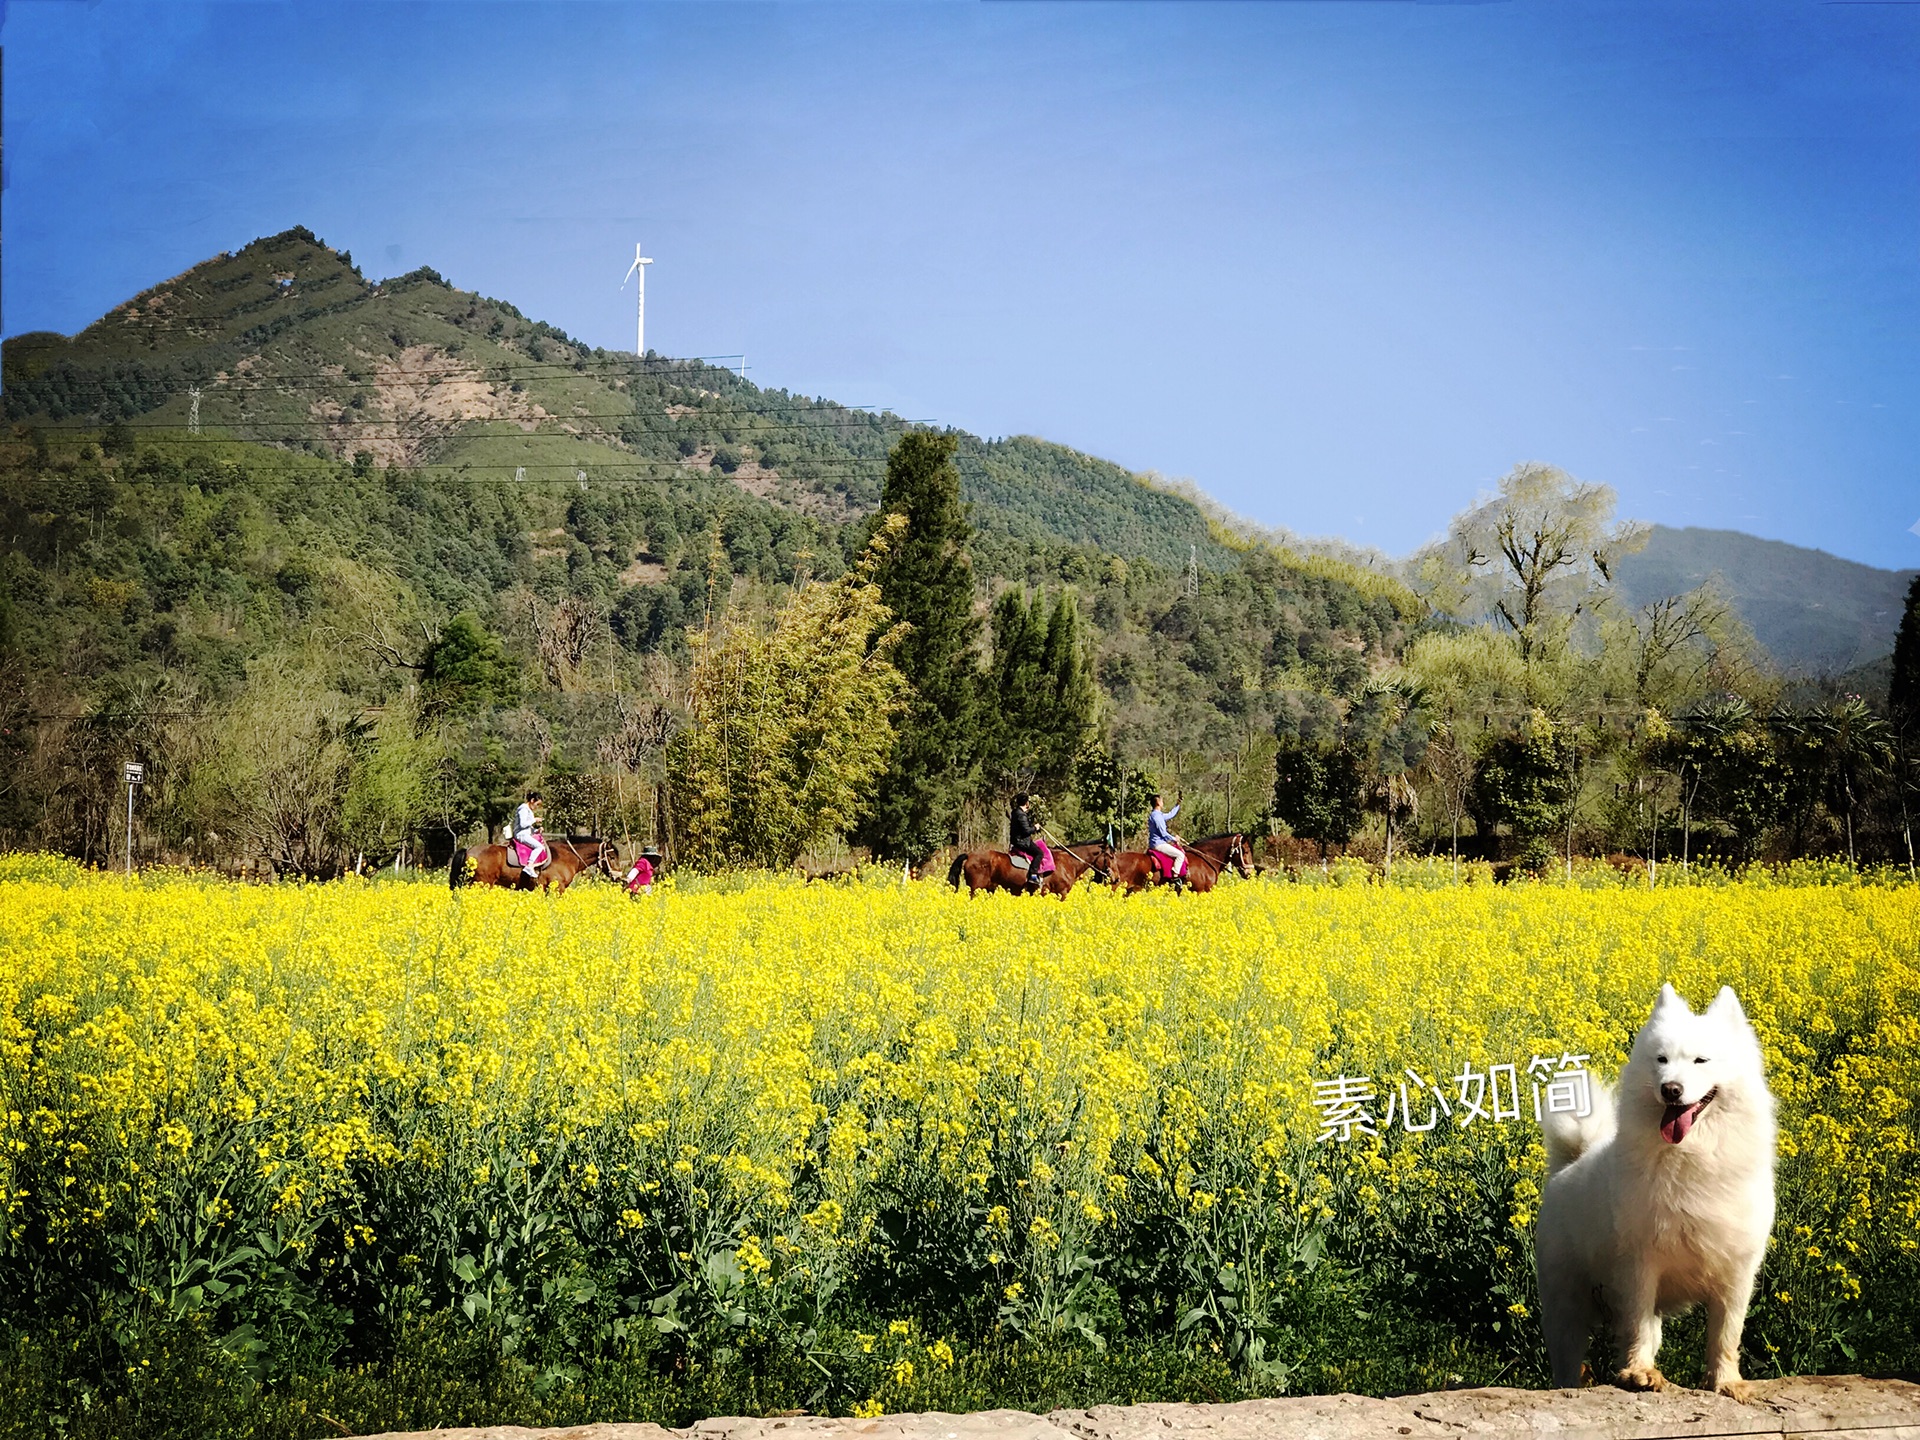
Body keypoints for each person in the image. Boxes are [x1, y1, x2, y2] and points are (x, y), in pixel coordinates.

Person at [1008, 793, 1051, 890]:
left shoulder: (1015, 812)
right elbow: (1026, 831)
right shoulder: (1021, 815)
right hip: (1022, 842)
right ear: (1027, 803)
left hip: (1016, 840)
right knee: (1039, 853)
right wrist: (1035, 828)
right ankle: (1033, 875)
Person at [1146, 791, 1188, 889]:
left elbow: (1170, 815)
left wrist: (1177, 804)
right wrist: (1174, 839)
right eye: (1161, 800)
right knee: (1180, 855)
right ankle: (1175, 876)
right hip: (1158, 844)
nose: (1163, 802)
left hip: (1159, 843)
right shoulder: (1156, 817)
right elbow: (1163, 833)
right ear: (1158, 803)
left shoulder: (1158, 814)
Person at [509, 790, 549, 875]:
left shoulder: (528, 810)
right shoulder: (523, 808)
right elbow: (523, 824)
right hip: (521, 834)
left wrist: (536, 831)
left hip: (525, 833)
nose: (537, 807)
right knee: (539, 847)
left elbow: (527, 827)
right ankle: (529, 866)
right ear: (532, 801)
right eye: (537, 804)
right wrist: (534, 820)